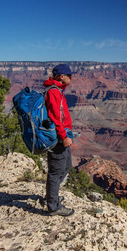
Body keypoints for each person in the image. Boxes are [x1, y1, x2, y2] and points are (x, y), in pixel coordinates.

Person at [43, 63, 76, 216]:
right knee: (56, 171)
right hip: (57, 138)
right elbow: (56, 117)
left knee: (66, 166)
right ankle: (53, 206)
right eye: (69, 75)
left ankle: (52, 195)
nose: (71, 78)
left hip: (64, 134)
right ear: (62, 76)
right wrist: (64, 136)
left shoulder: (58, 91)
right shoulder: (54, 92)